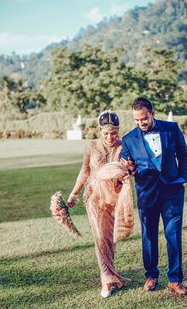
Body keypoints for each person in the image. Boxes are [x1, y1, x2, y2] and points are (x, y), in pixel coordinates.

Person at [121, 97, 187, 296]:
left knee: (173, 235)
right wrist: (130, 168)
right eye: (136, 120)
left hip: (172, 192)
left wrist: (183, 178)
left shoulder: (171, 128)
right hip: (147, 194)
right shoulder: (128, 140)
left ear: (152, 112)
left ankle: (175, 280)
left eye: (143, 119)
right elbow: (126, 167)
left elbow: (183, 154)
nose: (140, 123)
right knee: (149, 236)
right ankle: (151, 275)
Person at [67, 110, 134, 298]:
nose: (110, 137)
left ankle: (112, 274)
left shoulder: (124, 146)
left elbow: (131, 170)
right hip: (94, 198)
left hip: (114, 199)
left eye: (114, 133)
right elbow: (85, 172)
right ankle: (106, 279)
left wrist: (129, 170)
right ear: (99, 130)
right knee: (99, 236)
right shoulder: (91, 146)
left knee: (109, 238)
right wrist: (73, 194)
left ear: (118, 131)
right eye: (106, 133)